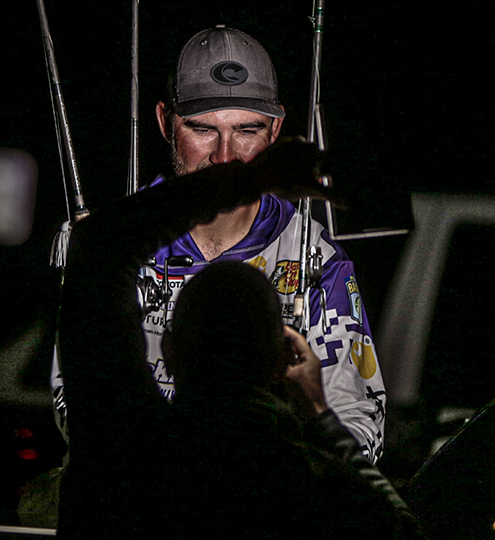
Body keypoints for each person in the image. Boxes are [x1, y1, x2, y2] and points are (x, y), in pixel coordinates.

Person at [53, 142, 418, 538]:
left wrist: (252, 179)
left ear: (170, 351)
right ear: (285, 359)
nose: (224, 150)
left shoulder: (122, 456)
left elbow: (100, 244)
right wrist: (320, 417)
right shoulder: (313, 490)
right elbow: (401, 527)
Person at [136, 24, 387, 463]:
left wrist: (301, 432)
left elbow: (361, 424)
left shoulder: (318, 261)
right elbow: (78, 402)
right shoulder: (117, 248)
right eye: (202, 129)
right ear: (164, 122)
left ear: (276, 129)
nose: (225, 156)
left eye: (247, 131)